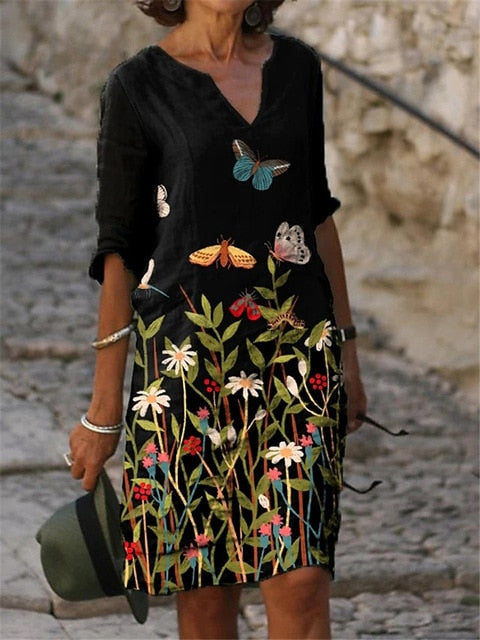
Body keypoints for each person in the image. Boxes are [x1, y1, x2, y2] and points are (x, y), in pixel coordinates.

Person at [69, 1, 367, 637]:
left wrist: (347, 349)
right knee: (206, 592)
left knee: (303, 578)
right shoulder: (137, 85)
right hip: (185, 369)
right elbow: (120, 251)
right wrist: (103, 410)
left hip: (297, 362)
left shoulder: (297, 68)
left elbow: (316, 213)